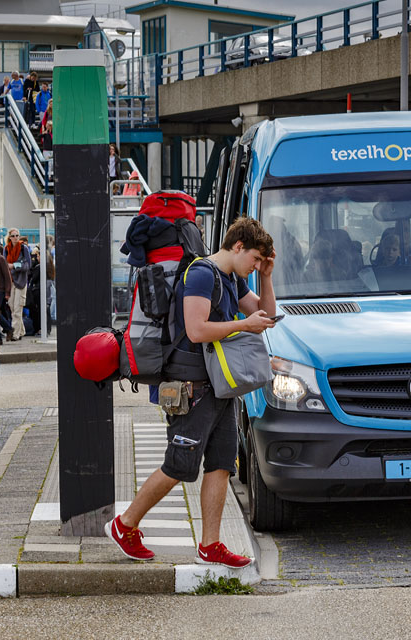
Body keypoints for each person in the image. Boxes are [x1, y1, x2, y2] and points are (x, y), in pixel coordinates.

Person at [109, 217, 277, 567]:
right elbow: (197, 329)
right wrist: (244, 324)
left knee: (220, 466)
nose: (256, 265)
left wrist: (266, 276)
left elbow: (267, 317)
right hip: (191, 387)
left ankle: (210, 545)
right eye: (256, 259)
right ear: (237, 246)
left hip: (221, 387)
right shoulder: (202, 274)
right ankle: (125, 525)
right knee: (178, 466)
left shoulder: (233, 277)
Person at [5, 228, 31, 341]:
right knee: (11, 306)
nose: (16, 238)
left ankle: (15, 334)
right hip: (11, 282)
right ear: (9, 237)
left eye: (17, 235)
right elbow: (5, 264)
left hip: (20, 282)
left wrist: (14, 266)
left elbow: (27, 265)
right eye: (13, 236)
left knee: (17, 308)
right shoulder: (6, 249)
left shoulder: (23, 248)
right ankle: (21, 331)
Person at [0, 240, 13, 342]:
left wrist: (7, 292)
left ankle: (8, 328)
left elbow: (7, 276)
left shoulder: (0, 259)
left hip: (0, 290)